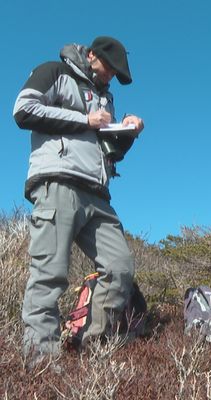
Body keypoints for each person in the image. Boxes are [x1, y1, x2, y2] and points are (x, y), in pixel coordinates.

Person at [13, 36, 144, 367]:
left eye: (116, 73)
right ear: (90, 55)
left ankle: (87, 348)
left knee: (120, 268)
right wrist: (86, 120)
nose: (111, 76)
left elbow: (105, 150)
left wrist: (127, 133)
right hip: (58, 183)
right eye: (109, 68)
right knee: (50, 273)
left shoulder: (106, 97)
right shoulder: (54, 71)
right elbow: (23, 110)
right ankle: (40, 358)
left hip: (98, 194)